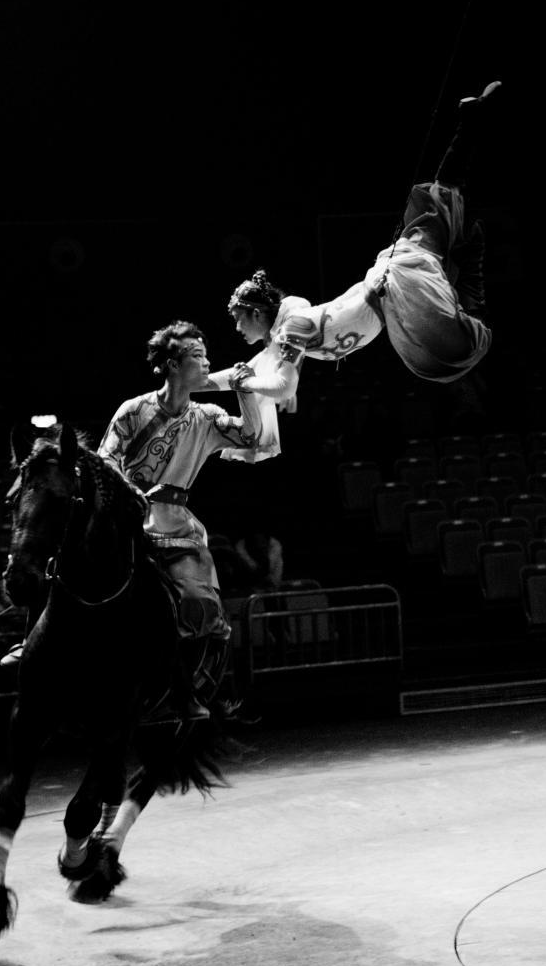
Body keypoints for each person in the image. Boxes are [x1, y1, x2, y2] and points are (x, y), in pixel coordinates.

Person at [202, 83, 499, 442]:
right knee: (444, 211)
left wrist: (251, 383)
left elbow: (279, 385)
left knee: (461, 343)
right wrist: (195, 386)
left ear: (255, 313)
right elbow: (255, 372)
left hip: (401, 283)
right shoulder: (286, 329)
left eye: (237, 319)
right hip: (400, 305)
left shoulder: (293, 326)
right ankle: (470, 241)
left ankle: (471, 144)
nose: (236, 329)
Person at [95, 320, 264, 718]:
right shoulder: (134, 410)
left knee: (195, 598)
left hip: (174, 525)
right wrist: (130, 493)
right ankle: (33, 643)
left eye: (206, 356)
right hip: (124, 517)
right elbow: (105, 458)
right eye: (196, 356)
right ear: (172, 365)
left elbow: (250, 437)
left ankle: (184, 688)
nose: (207, 363)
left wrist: (246, 395)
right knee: (60, 563)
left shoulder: (205, 417)